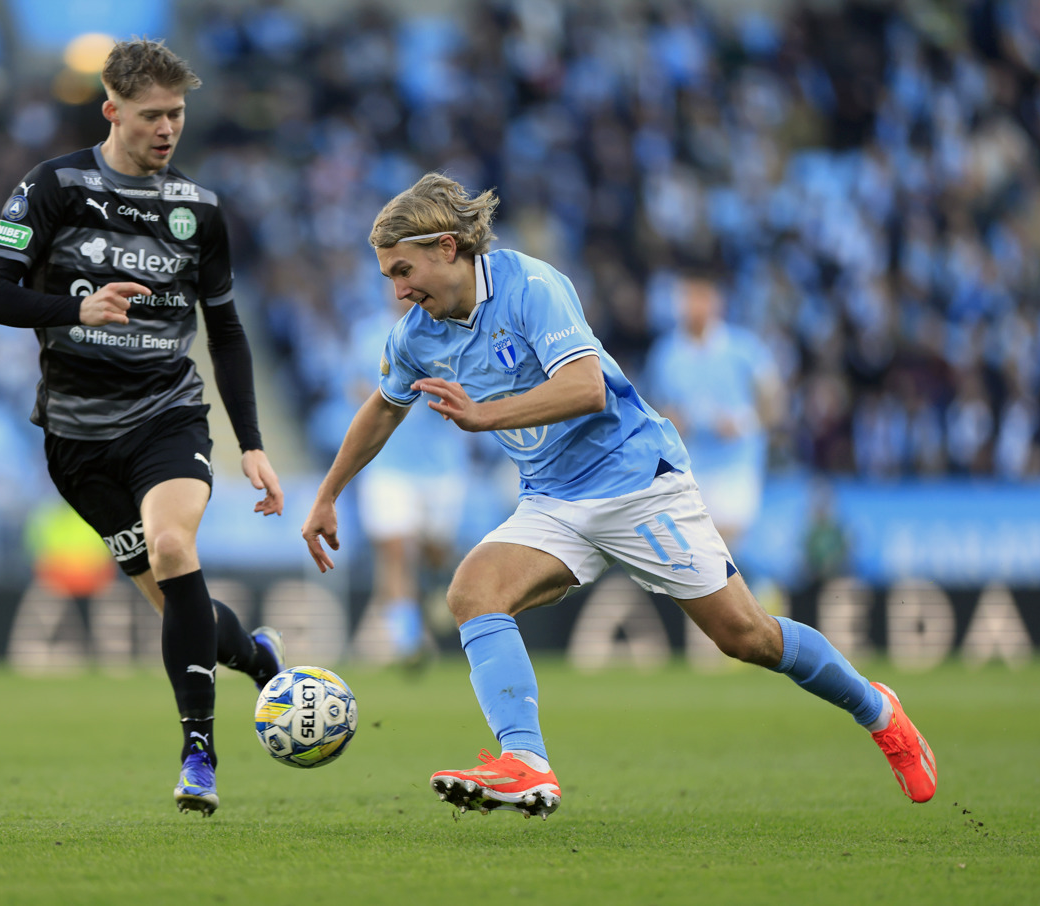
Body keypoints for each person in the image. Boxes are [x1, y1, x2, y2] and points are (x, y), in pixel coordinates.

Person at [300, 173, 937, 819]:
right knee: (473, 590)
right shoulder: (416, 335)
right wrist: (328, 495)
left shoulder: (531, 285)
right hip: (553, 500)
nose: (398, 290)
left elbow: (586, 388)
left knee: (747, 638)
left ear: (446, 247)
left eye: (403, 271)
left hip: (636, 483)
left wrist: (485, 415)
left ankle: (878, 711)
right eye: (388, 276)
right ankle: (525, 762)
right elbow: (383, 408)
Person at [0, 38, 286, 818]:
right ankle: (256, 656)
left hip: (166, 414)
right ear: (111, 110)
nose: (167, 128)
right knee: (181, 609)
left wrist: (250, 442)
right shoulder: (54, 187)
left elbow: (226, 332)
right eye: (151, 115)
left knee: (175, 546)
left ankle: (199, 755)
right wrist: (76, 309)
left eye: (176, 114)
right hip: (78, 442)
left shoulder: (200, 210)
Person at [347, 292, 468, 667]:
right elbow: (355, 387)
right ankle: (408, 641)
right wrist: (389, 397)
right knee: (396, 549)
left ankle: (435, 585)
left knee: (435, 552)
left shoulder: (446, 329)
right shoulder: (369, 334)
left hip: (440, 466)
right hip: (388, 464)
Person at [643, 272, 782, 551]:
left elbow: (774, 400)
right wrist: (667, 420)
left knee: (723, 547)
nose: (696, 305)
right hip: (689, 466)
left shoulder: (745, 348)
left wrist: (743, 423)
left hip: (736, 464)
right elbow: (651, 408)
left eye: (702, 297)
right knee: (694, 551)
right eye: (689, 297)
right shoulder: (664, 354)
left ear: (717, 302)